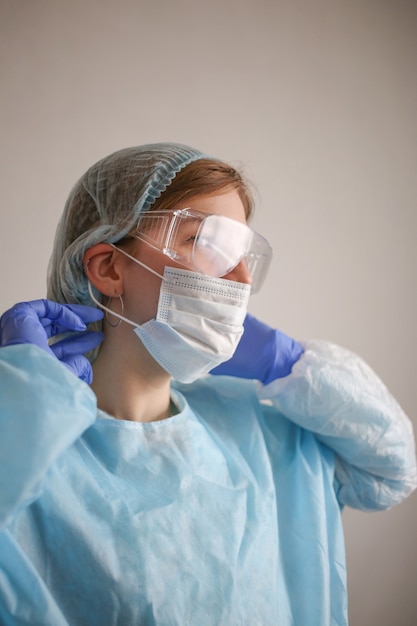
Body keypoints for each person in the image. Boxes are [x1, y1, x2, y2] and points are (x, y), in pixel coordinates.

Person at [0, 143, 415, 626]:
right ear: (109, 268)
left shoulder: (255, 434)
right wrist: (19, 404)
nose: (239, 278)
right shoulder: (28, 456)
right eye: (206, 244)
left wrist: (289, 365)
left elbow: (389, 471)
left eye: (241, 255)